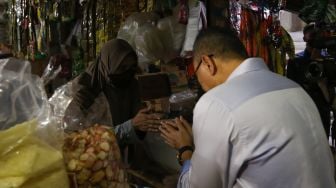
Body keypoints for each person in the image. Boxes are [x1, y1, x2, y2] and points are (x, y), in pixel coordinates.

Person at [159, 28, 335, 188]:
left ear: (207, 63)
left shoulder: (216, 102)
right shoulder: (294, 89)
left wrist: (185, 149)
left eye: (196, 73)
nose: (200, 83)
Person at [67, 39, 161, 143]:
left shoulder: (130, 84)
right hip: (93, 155)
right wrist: (130, 126)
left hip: (121, 154)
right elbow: (79, 138)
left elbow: (136, 116)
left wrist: (146, 119)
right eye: (122, 67)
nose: (127, 72)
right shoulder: (84, 89)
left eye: (131, 67)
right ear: (108, 63)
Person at [286, 24, 332, 137]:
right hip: (303, 111)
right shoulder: (295, 62)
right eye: (312, 35)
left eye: (317, 36)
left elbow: (331, 97)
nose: (314, 39)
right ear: (304, 39)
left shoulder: (328, 61)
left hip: (322, 111)